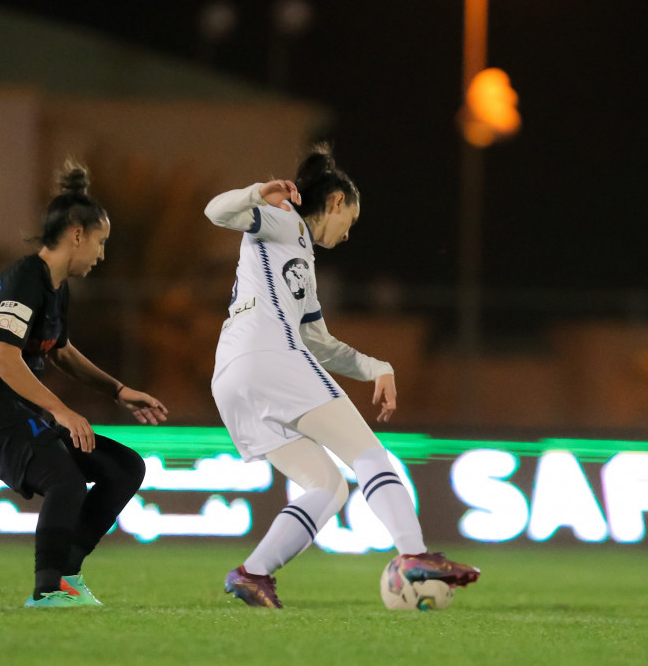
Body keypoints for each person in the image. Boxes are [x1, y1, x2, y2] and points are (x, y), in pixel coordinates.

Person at [205, 145, 480, 608]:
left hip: (233, 377)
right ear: (334, 202)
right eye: (349, 220)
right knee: (368, 453)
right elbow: (215, 212)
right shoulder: (285, 222)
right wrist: (256, 193)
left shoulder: (299, 259)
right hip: (268, 354)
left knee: (328, 487)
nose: (348, 234)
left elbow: (319, 343)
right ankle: (412, 555)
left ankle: (252, 573)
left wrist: (377, 367)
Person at [0, 160, 168, 608]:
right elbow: (5, 360)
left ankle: (67, 575)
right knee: (66, 482)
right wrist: (62, 411)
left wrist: (118, 391)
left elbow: (61, 351)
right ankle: (48, 589)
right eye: (100, 242)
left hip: (15, 414)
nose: (102, 254)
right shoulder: (24, 279)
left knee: (123, 468)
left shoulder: (55, 287)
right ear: (76, 234)